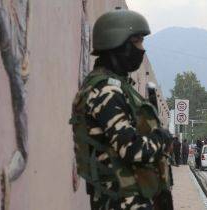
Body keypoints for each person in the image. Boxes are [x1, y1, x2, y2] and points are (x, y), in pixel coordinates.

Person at [70, 8, 173, 210]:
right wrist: (162, 139)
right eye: (136, 41)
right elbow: (132, 149)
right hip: (120, 201)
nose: (141, 48)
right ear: (116, 43)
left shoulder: (116, 87)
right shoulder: (105, 91)